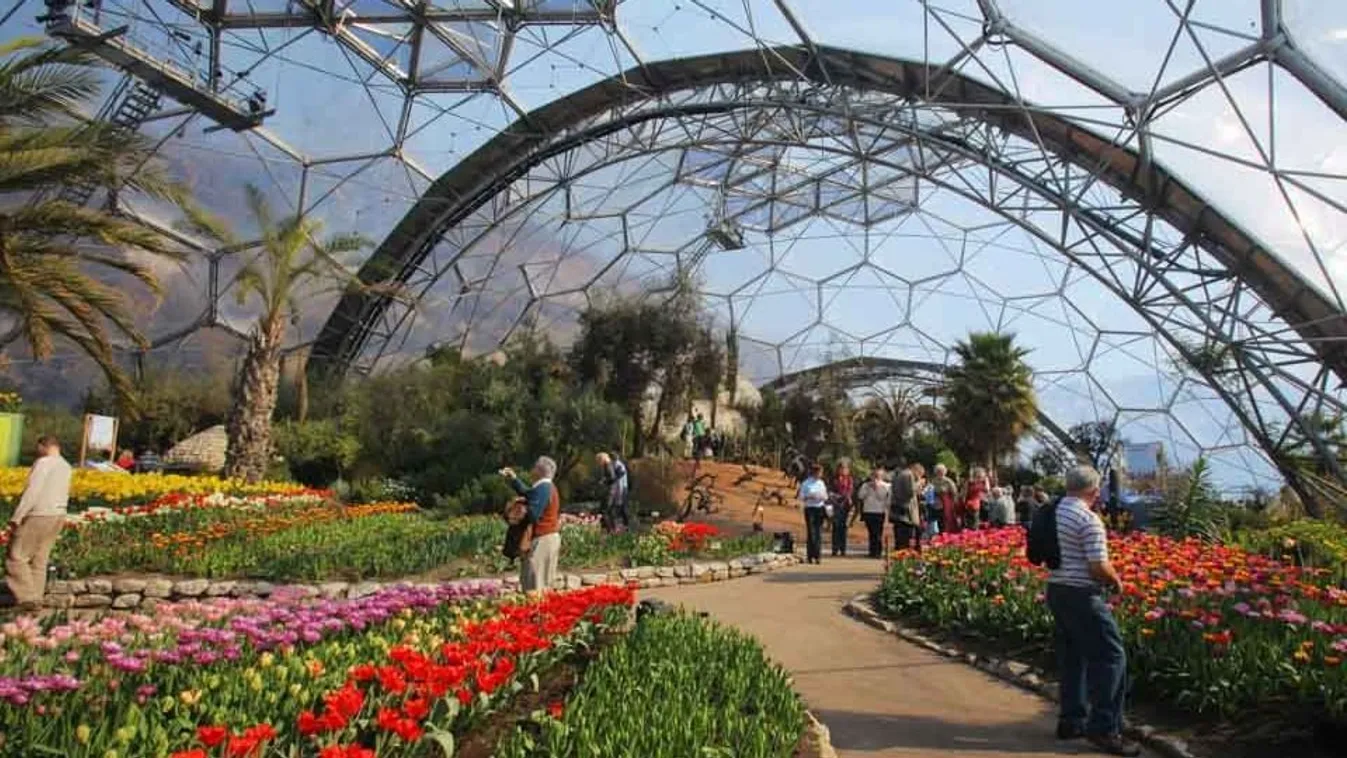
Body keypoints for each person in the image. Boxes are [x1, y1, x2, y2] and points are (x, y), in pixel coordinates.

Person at [1047, 466, 1139, 757]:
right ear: (1094, 490)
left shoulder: (1053, 510)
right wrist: (1116, 580)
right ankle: (1105, 728)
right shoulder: (1089, 519)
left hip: (1056, 589)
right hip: (1082, 594)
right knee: (1111, 656)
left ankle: (1071, 720)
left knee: (1073, 655)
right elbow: (1097, 566)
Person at [5, 436, 72, 611]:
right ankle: (36, 597)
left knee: (17, 556)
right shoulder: (66, 465)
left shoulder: (43, 463)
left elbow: (32, 491)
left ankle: (28, 598)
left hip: (39, 513)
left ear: (43, 447)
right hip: (58, 513)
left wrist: (17, 516)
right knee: (39, 559)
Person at [502, 456, 562, 592]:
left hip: (543, 539)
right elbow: (528, 493)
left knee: (535, 584)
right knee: (539, 583)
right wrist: (514, 479)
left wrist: (519, 508)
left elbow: (533, 514)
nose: (532, 469)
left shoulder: (543, 488)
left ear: (540, 471)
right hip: (548, 537)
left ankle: (537, 612)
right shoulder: (545, 487)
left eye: (535, 467)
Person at [854, 467, 890, 558]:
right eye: (874, 475)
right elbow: (860, 496)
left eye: (878, 476)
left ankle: (878, 552)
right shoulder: (866, 485)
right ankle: (872, 551)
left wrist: (877, 488)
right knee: (871, 532)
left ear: (882, 476)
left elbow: (882, 498)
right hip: (868, 511)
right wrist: (868, 488)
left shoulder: (886, 486)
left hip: (879, 511)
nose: (875, 478)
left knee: (878, 532)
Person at [797, 463, 828, 564]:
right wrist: (809, 496)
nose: (820, 475)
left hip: (819, 508)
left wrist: (821, 496)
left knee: (818, 532)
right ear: (814, 472)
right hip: (810, 508)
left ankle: (818, 555)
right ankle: (810, 555)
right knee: (811, 532)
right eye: (819, 472)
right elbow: (801, 496)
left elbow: (825, 496)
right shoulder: (806, 483)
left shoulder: (821, 483)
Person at [890, 462, 924, 552]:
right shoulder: (908, 475)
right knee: (904, 536)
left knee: (898, 535)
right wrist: (919, 483)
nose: (918, 477)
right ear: (916, 470)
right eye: (919, 475)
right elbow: (910, 492)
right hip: (905, 511)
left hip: (897, 509)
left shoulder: (898, 474)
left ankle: (899, 552)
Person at [595, 452, 630, 532]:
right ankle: (612, 528)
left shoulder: (608, 465)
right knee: (610, 510)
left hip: (611, 490)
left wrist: (603, 481)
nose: (599, 464)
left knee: (606, 510)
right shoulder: (610, 465)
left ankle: (610, 529)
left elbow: (612, 477)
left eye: (598, 461)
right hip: (613, 490)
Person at [830, 461, 855, 557]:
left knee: (844, 527)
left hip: (845, 505)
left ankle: (843, 549)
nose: (843, 470)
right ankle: (835, 549)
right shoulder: (834, 479)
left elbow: (850, 490)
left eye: (845, 469)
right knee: (836, 527)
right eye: (841, 468)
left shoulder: (849, 479)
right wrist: (835, 498)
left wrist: (846, 497)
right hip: (836, 505)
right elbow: (830, 491)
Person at [929, 464, 958, 534]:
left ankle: (947, 533)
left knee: (946, 519)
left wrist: (954, 502)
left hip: (946, 503)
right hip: (936, 503)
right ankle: (939, 533)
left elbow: (954, 492)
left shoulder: (948, 481)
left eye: (942, 471)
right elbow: (929, 492)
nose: (940, 473)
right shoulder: (933, 481)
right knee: (938, 519)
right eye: (938, 471)